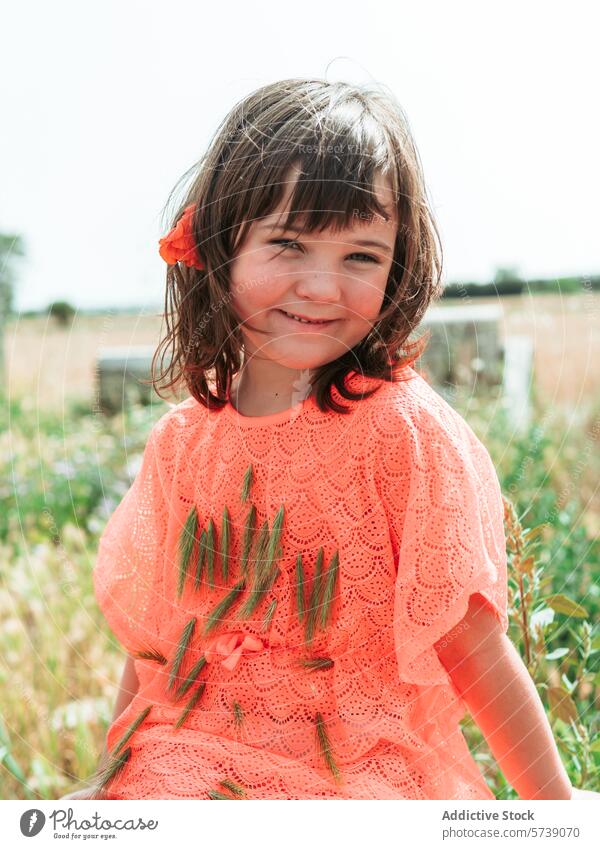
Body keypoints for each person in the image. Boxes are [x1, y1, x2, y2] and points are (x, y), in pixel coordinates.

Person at [63, 78, 583, 801]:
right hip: (197, 756)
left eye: (361, 257)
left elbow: (472, 646)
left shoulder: (404, 432)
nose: (322, 286)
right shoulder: (182, 445)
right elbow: (162, 647)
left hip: (358, 767)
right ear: (218, 246)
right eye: (288, 244)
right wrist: (106, 784)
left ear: (399, 265)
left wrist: (558, 814)